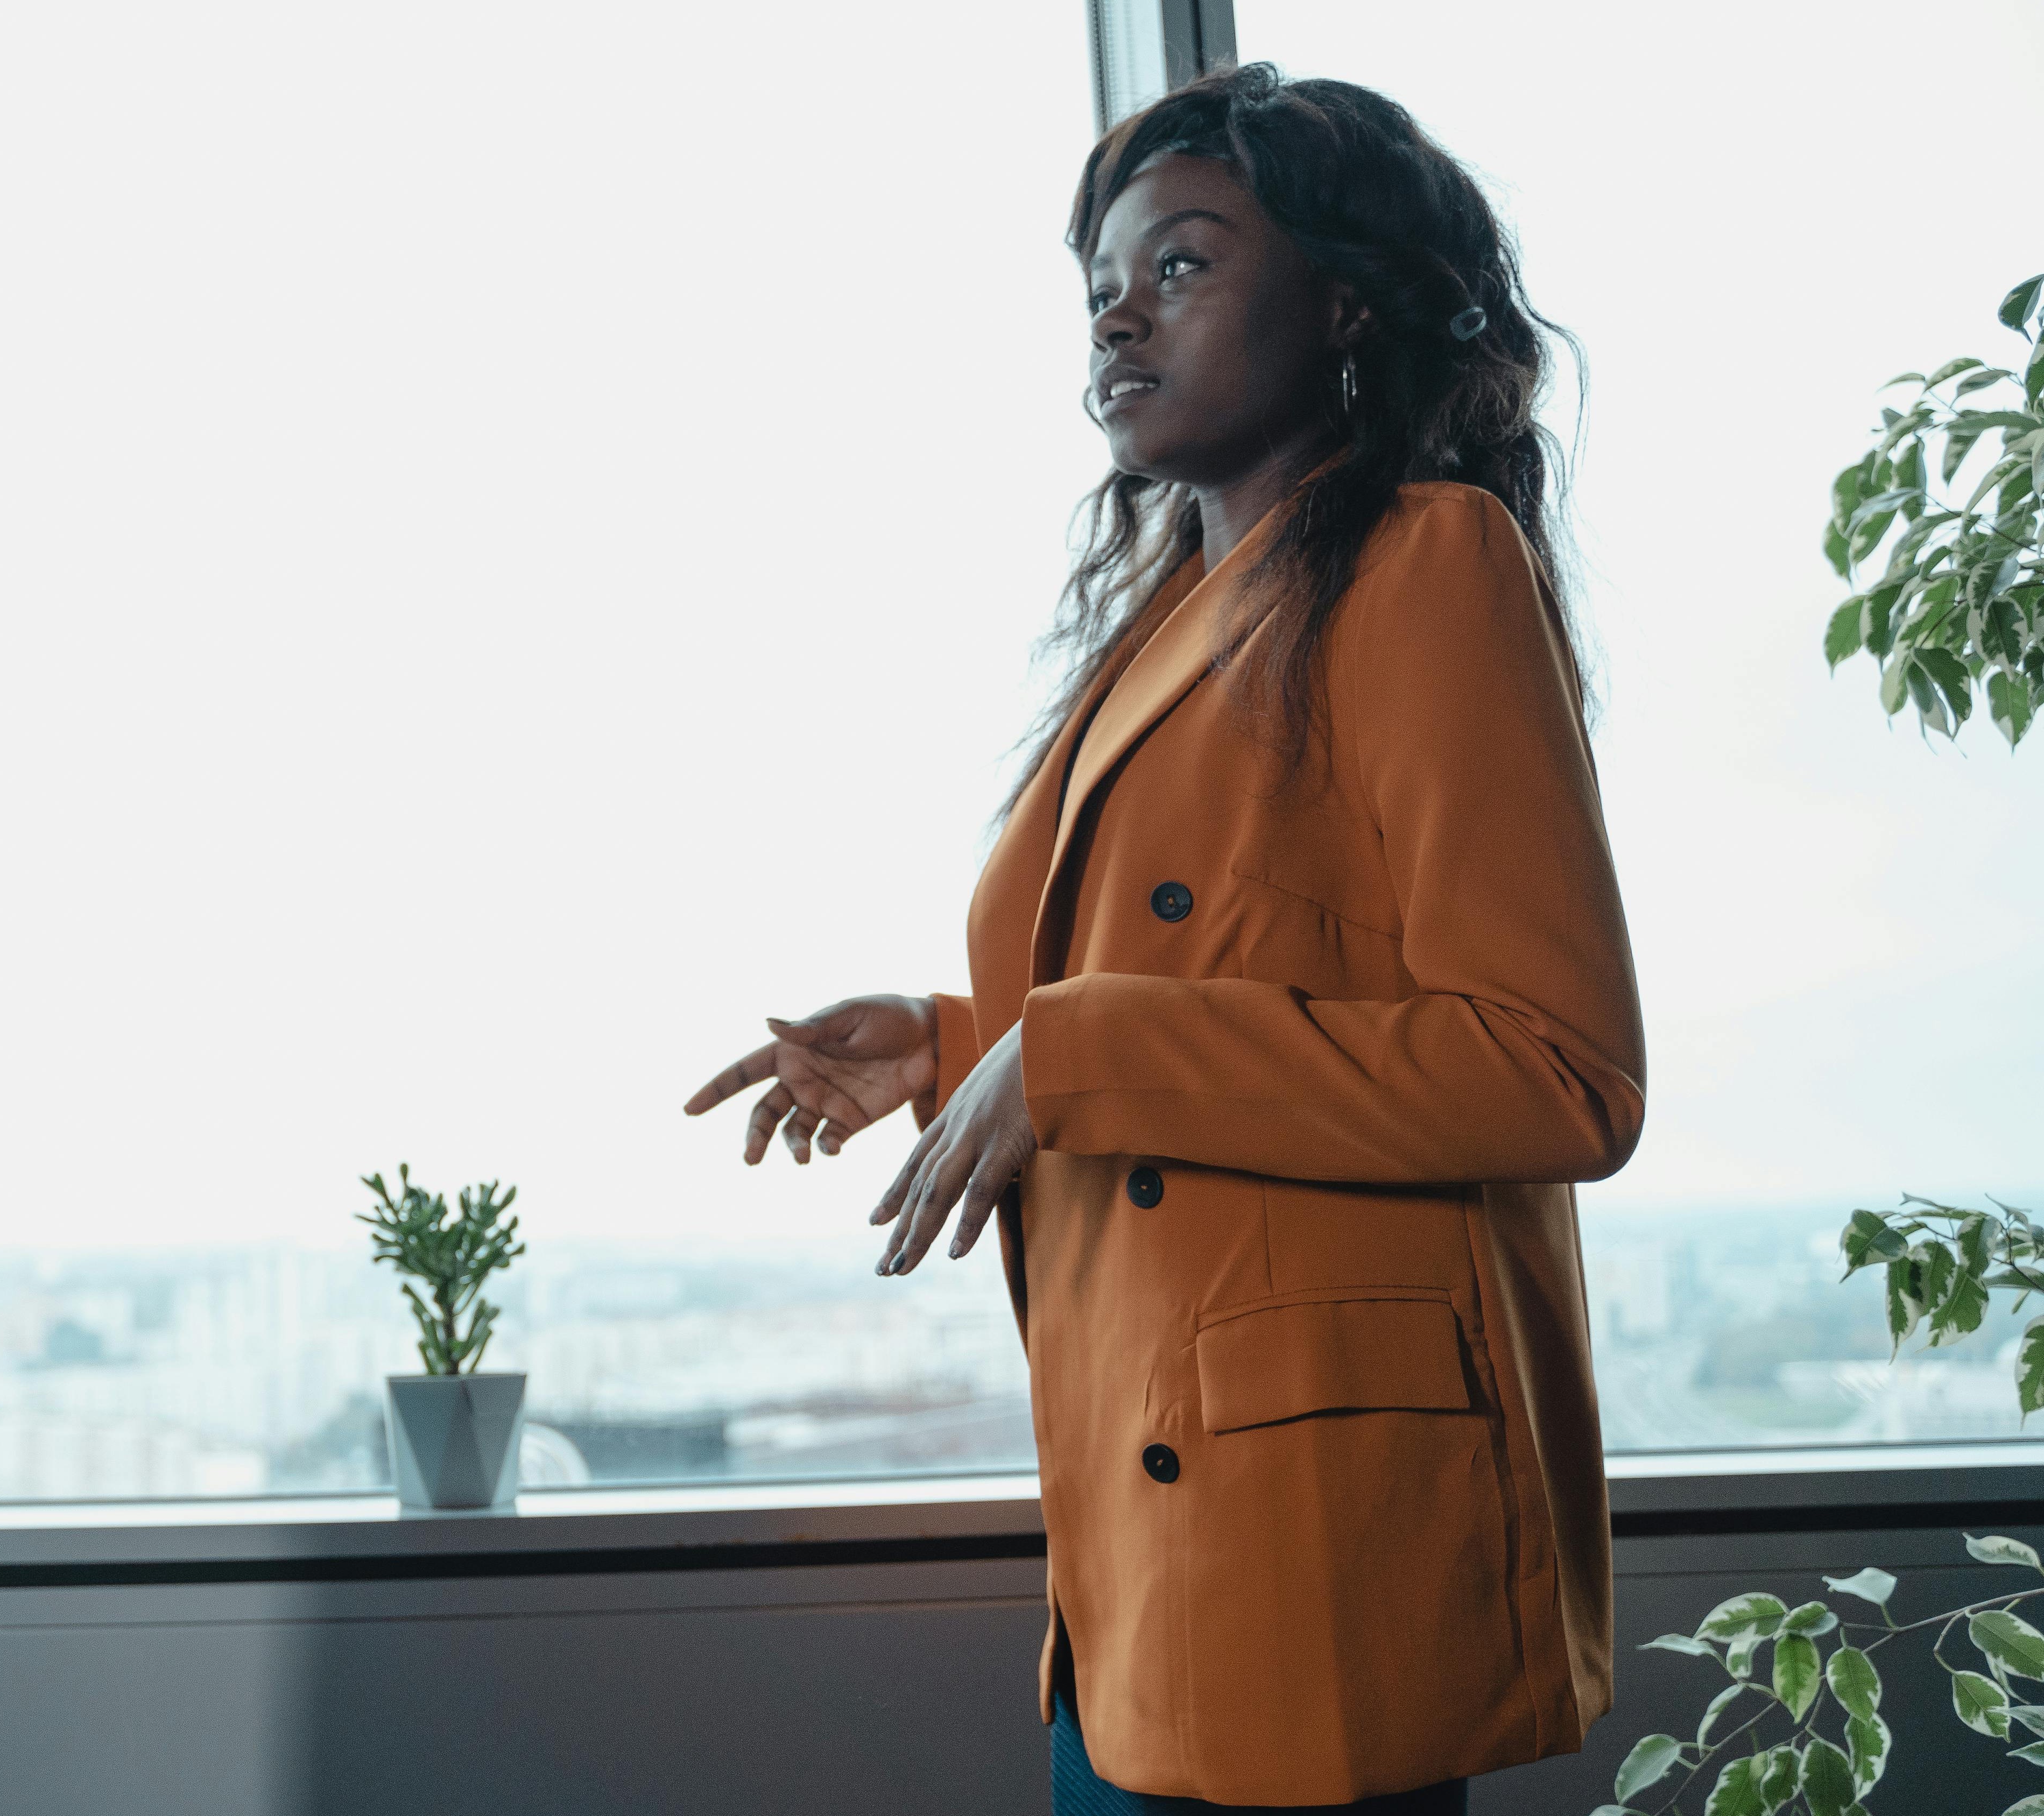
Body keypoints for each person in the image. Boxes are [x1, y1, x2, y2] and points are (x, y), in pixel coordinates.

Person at [685, 65, 1643, 1813]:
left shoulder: (1430, 565)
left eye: (1183, 264)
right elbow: (1211, 987)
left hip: (1309, 1557)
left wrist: (1082, 1048)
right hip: (1135, 1559)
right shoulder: (1169, 628)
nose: (1121, 312)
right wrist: (955, 1034)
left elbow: (1557, 1069)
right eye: (1103, 284)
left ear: (1345, 300)